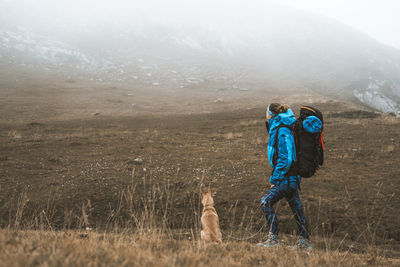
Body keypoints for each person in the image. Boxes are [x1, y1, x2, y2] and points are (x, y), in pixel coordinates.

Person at [257, 103, 312, 251]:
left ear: (271, 114)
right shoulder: (280, 128)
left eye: (266, 113)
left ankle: (273, 239)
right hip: (291, 179)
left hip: (287, 179)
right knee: (297, 209)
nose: (265, 116)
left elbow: (285, 159)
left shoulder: (282, 131)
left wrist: (274, 180)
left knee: (265, 202)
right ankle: (305, 243)